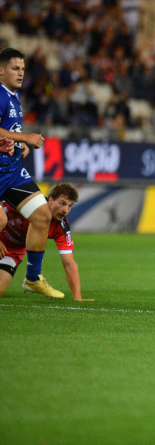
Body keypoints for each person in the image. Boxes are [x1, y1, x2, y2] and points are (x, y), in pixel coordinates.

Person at [0, 48, 58, 298]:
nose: (21, 73)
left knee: (43, 215)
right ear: (1, 70)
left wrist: (18, 145)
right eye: (15, 68)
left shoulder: (13, 95)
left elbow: (6, 130)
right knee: (1, 221)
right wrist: (26, 137)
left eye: (23, 69)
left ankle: (33, 278)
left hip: (11, 172)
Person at [0, 183, 92, 301]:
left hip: (12, 252)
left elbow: (69, 263)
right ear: (50, 200)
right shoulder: (29, 203)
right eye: (62, 203)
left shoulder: (61, 227)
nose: (65, 210)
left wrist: (78, 297)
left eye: (70, 206)